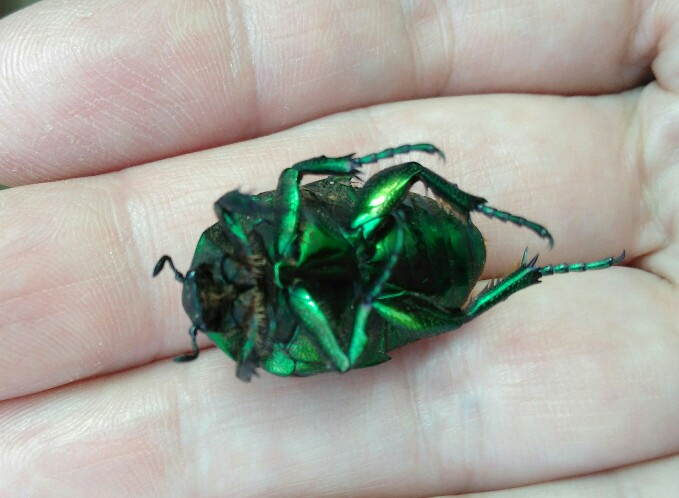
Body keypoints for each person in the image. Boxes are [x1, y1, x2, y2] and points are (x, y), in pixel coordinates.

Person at [0, 1, 677, 496]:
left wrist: (357, 175)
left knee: (403, 173)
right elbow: (341, 355)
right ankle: (530, 275)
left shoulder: (233, 237)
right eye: (217, 306)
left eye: (208, 278)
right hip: (389, 300)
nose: (222, 286)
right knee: (449, 316)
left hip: (383, 229)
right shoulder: (269, 349)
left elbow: (295, 182)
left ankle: (484, 216)